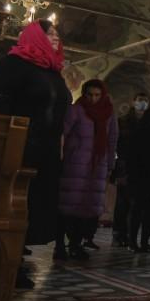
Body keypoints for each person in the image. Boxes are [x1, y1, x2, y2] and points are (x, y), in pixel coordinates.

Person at [0, 19, 70, 290]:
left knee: (33, 204)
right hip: (19, 147)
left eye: (56, 33)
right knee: (11, 201)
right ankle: (2, 261)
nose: (55, 37)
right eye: (49, 33)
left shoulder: (53, 71)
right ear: (34, 36)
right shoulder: (14, 64)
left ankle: (15, 258)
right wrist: (9, 140)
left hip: (45, 149)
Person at [56, 80, 118, 262]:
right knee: (66, 207)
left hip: (96, 167)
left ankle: (76, 244)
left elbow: (112, 139)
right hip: (74, 164)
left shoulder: (109, 114)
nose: (93, 98)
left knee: (86, 209)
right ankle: (60, 245)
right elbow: (64, 133)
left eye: (97, 95)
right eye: (90, 95)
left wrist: (110, 164)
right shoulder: (76, 110)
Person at [112, 90, 150, 245]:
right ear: (134, 102)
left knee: (138, 202)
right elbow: (117, 142)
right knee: (122, 202)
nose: (142, 103)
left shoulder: (149, 122)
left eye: (145, 101)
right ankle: (119, 233)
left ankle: (131, 234)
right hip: (125, 164)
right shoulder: (123, 121)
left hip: (142, 167)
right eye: (140, 100)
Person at [128, 98, 150, 251]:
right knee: (137, 209)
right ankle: (132, 241)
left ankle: (144, 241)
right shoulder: (141, 129)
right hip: (141, 174)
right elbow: (134, 153)